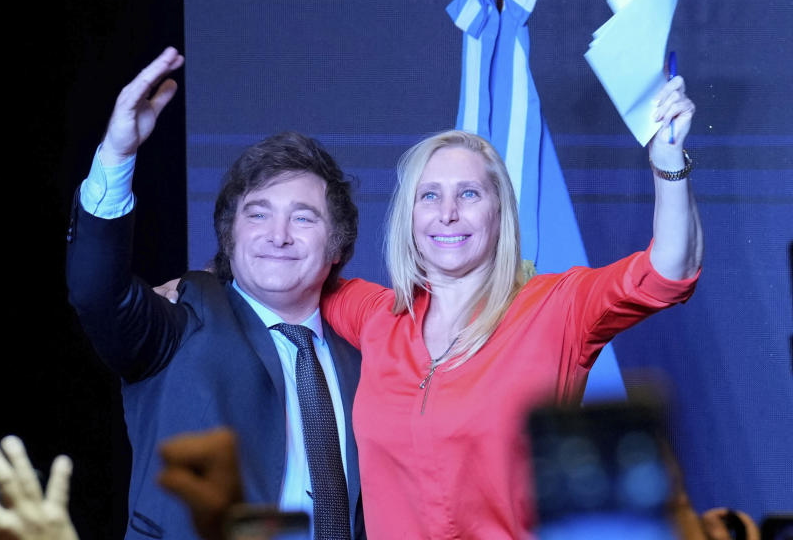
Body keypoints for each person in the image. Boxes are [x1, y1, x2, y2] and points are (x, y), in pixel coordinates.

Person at [316, 76, 703, 538]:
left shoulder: (557, 308)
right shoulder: (378, 316)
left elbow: (668, 271)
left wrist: (668, 165)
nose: (447, 213)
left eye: (469, 194)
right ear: (409, 216)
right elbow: (294, 278)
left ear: (500, 213)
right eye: (429, 195)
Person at [65, 48, 364, 539]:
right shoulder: (187, 316)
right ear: (230, 236)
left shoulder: (363, 347)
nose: (278, 235)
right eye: (258, 214)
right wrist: (117, 156)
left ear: (337, 244)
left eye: (304, 218)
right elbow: (98, 295)